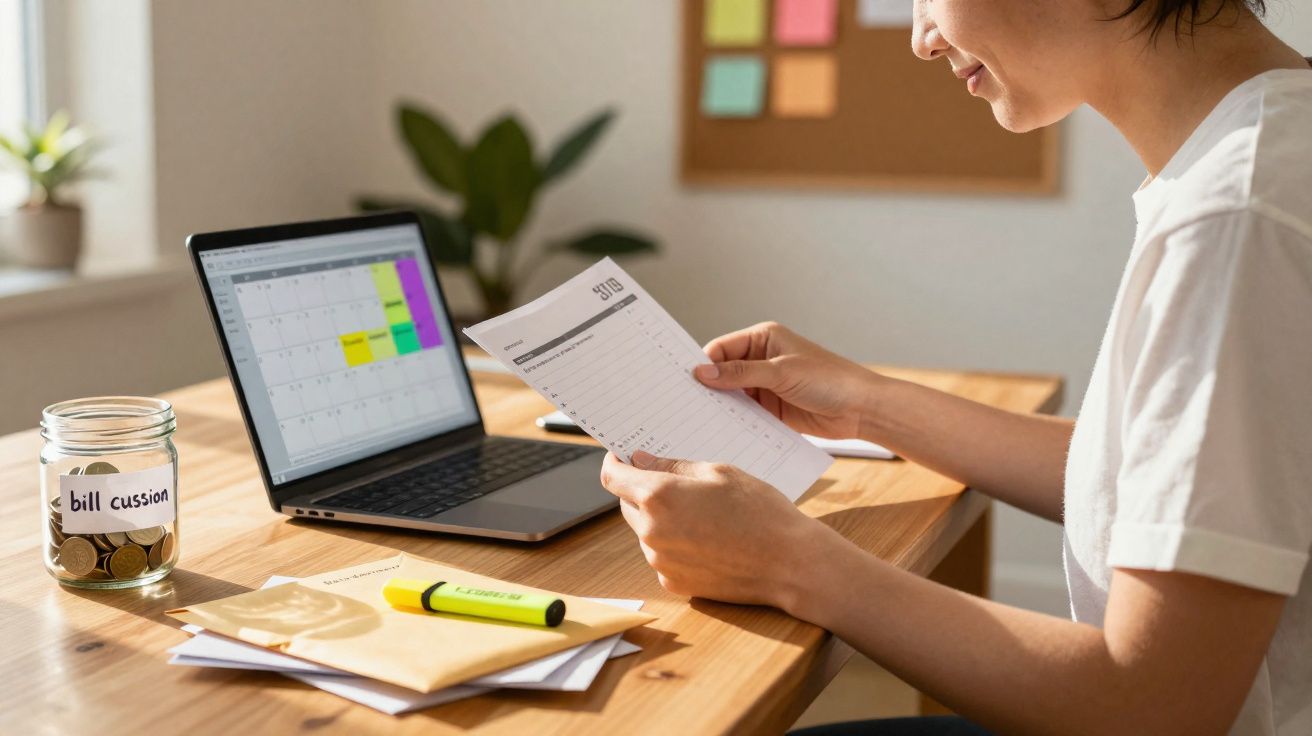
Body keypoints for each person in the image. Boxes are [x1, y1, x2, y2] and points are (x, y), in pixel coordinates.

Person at [598, 1, 1312, 734]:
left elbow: (1156, 707)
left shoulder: (1236, 219)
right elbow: (1167, 482)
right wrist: (868, 403)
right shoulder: (1272, 142)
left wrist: (788, 561)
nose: (921, 39)